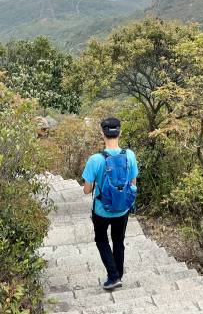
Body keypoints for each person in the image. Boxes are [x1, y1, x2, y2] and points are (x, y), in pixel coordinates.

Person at [82, 117, 139, 291]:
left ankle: (113, 276)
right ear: (119, 132)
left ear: (102, 133)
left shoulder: (95, 159)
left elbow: (86, 189)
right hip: (122, 209)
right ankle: (118, 275)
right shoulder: (130, 155)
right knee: (118, 241)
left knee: (101, 239)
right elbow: (133, 183)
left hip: (101, 209)